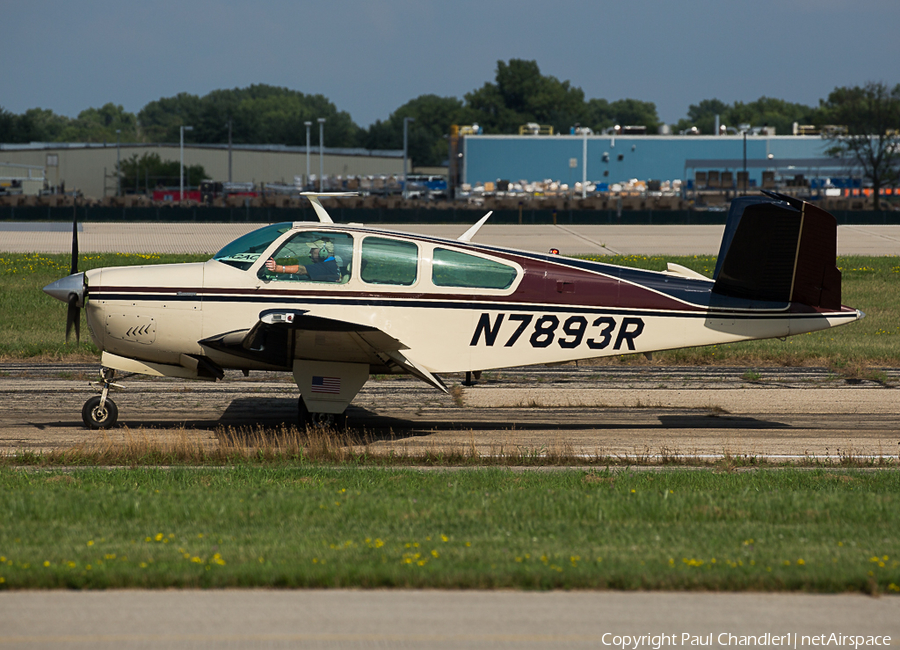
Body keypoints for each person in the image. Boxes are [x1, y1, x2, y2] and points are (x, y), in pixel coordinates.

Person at [265, 239, 340, 282]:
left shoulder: (326, 266)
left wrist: (277, 268)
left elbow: (301, 270)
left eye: (313, 249)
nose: (310, 252)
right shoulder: (332, 264)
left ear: (323, 252)